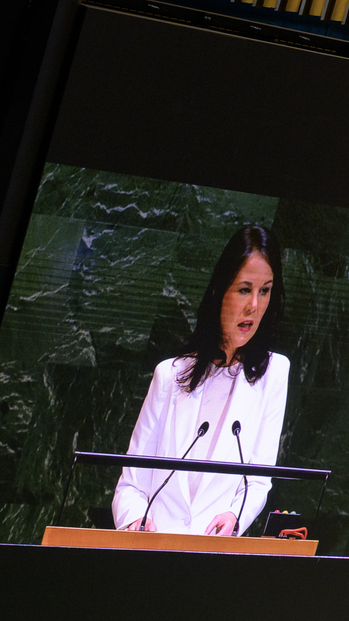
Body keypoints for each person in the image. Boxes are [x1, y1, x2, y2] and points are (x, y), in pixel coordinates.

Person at [113, 224, 289, 537]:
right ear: (219, 291)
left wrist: (235, 516)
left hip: (213, 556)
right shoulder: (170, 375)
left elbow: (259, 481)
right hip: (152, 550)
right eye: (245, 289)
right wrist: (134, 521)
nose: (254, 306)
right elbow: (131, 485)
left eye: (265, 291)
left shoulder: (273, 374)